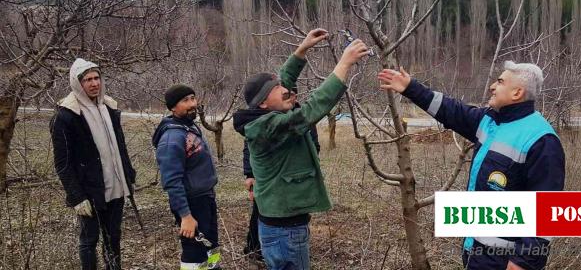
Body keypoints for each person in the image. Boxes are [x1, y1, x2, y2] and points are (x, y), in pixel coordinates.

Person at [378, 61, 565, 270]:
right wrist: (411, 87)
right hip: (476, 253)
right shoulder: (490, 121)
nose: (493, 86)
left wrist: (523, 261)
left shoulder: (541, 140)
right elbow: (452, 111)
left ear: (517, 92)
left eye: (500, 82)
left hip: (504, 262)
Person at [233, 28, 369, 270]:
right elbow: (312, 109)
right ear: (264, 102)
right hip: (285, 230)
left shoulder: (263, 115)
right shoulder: (269, 127)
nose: (285, 89)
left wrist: (302, 49)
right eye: (276, 89)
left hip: (281, 224)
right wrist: (345, 63)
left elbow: (285, 80)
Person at [51, 58, 136, 270]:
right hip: (89, 192)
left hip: (116, 187)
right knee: (89, 241)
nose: (94, 83)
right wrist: (76, 197)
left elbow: (120, 146)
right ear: (77, 83)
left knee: (113, 238)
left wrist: (128, 174)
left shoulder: (109, 106)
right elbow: (62, 162)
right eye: (87, 79)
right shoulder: (66, 115)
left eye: (96, 78)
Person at [241, 98, 321, 267]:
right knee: (261, 213)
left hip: (292, 186)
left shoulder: (302, 120)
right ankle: (254, 248)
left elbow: (314, 144)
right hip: (268, 185)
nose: (291, 98)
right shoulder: (265, 123)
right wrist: (249, 174)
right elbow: (249, 148)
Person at [152, 84, 221, 270]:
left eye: (193, 98)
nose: (192, 104)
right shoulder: (172, 138)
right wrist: (185, 216)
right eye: (185, 100)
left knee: (211, 246)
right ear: (173, 107)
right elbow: (172, 182)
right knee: (194, 252)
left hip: (205, 198)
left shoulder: (188, 127)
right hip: (191, 203)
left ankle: (213, 268)